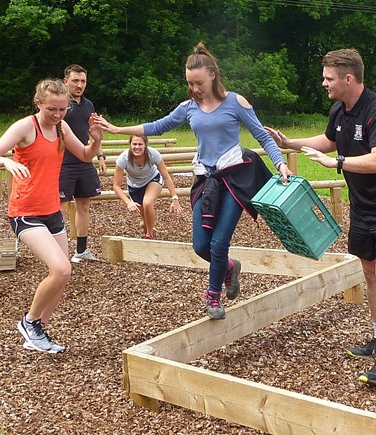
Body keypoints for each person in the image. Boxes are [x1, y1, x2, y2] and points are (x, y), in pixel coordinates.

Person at [94, 42, 293, 320]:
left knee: (219, 243)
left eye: (199, 82)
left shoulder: (236, 102)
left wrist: (281, 163)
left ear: (212, 75)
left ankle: (213, 296)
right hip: (205, 180)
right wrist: (116, 129)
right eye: (190, 83)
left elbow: (262, 135)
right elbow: (155, 127)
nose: (195, 88)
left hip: (234, 180)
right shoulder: (188, 107)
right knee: (201, 246)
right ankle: (229, 267)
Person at [265, 48, 376, 387]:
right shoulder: (339, 109)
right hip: (363, 205)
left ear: (348, 79)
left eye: (328, 78)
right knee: (369, 274)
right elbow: (330, 140)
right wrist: (291, 142)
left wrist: (335, 164)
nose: (324, 83)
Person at [0, 79, 103, 353]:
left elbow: (84, 156)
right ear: (38, 103)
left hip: (51, 212)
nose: (58, 115)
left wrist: (95, 142)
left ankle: (36, 333)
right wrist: (7, 161)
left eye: (62, 109)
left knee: (62, 275)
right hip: (26, 212)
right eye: (52, 109)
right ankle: (30, 321)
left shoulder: (62, 127)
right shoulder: (25, 127)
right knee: (61, 268)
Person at [60, 64, 106, 263]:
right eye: (75, 81)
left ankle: (81, 250)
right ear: (65, 82)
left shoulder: (88, 105)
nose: (79, 85)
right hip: (63, 163)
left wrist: (100, 156)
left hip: (84, 161)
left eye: (83, 81)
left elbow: (93, 132)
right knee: (60, 207)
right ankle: (57, 252)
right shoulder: (60, 106)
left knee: (84, 204)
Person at [113, 134, 182, 239]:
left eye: (140, 144)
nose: (137, 147)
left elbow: (166, 176)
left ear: (145, 145)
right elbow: (116, 186)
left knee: (147, 203)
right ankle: (146, 227)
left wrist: (174, 198)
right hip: (135, 186)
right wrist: (128, 202)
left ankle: (149, 235)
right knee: (145, 218)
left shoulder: (153, 154)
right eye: (134, 144)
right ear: (130, 145)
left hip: (152, 179)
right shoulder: (123, 158)